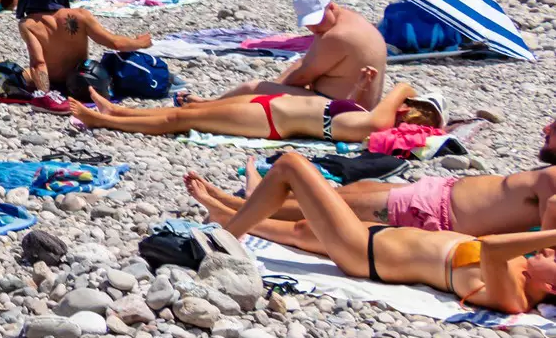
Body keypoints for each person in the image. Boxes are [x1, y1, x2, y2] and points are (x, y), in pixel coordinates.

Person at [183, 152, 556, 316]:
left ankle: (223, 237)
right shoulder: (523, 269)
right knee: (299, 230)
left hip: (366, 254)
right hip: (381, 237)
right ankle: (226, 210)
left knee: (291, 167)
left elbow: (491, 248)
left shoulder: (513, 298)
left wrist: (546, 237)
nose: (549, 252)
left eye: (554, 258)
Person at [189, 118, 556, 233]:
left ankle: (233, 215)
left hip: (434, 211)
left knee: (326, 204)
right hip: (434, 195)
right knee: (353, 191)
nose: (546, 126)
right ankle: (234, 204)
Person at [73, 78, 432, 142]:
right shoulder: (366, 117)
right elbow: (338, 110)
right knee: (183, 115)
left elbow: (394, 99)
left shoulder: (377, 124)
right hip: (270, 108)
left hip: (269, 120)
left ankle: (102, 120)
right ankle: (118, 112)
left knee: (180, 121)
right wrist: (359, 90)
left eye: (409, 109)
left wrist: (403, 92)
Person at [213, 0, 390, 109]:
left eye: (317, 20)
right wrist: (276, 86)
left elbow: (303, 76)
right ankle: (209, 104)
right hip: (356, 104)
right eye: (309, 24)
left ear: (332, 6)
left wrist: (272, 90)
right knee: (272, 84)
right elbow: (305, 62)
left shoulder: (337, 36)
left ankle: (208, 105)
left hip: (338, 109)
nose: (313, 28)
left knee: (251, 89)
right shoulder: (351, 19)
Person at [17, 0, 153, 101]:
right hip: (80, 80)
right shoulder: (80, 15)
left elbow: (38, 63)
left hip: (51, 80)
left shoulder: (29, 23)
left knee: (4, 70)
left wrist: (45, 94)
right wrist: (139, 43)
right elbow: (115, 43)